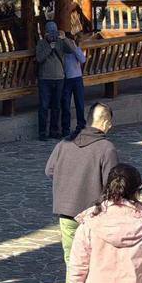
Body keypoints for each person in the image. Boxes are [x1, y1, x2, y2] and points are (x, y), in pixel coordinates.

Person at [46, 103, 119, 265]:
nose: (110, 127)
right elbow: (113, 184)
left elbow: (49, 170)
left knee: (72, 262)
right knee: (94, 262)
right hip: (93, 214)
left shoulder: (64, 143)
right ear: (105, 122)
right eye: (109, 124)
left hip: (66, 212)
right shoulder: (106, 148)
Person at [35, 22, 73, 141]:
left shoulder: (60, 42)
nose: (52, 36)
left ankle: (54, 131)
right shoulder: (41, 43)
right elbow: (39, 58)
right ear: (45, 33)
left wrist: (64, 38)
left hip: (59, 78)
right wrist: (49, 47)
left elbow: (71, 50)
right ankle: (42, 132)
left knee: (56, 106)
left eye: (54, 33)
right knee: (44, 106)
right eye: (50, 33)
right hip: (45, 79)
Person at [60, 30, 88, 139]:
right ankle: (65, 128)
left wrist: (74, 47)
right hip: (66, 79)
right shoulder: (62, 51)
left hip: (77, 79)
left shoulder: (75, 49)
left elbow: (82, 59)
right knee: (65, 105)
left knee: (79, 103)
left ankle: (81, 125)